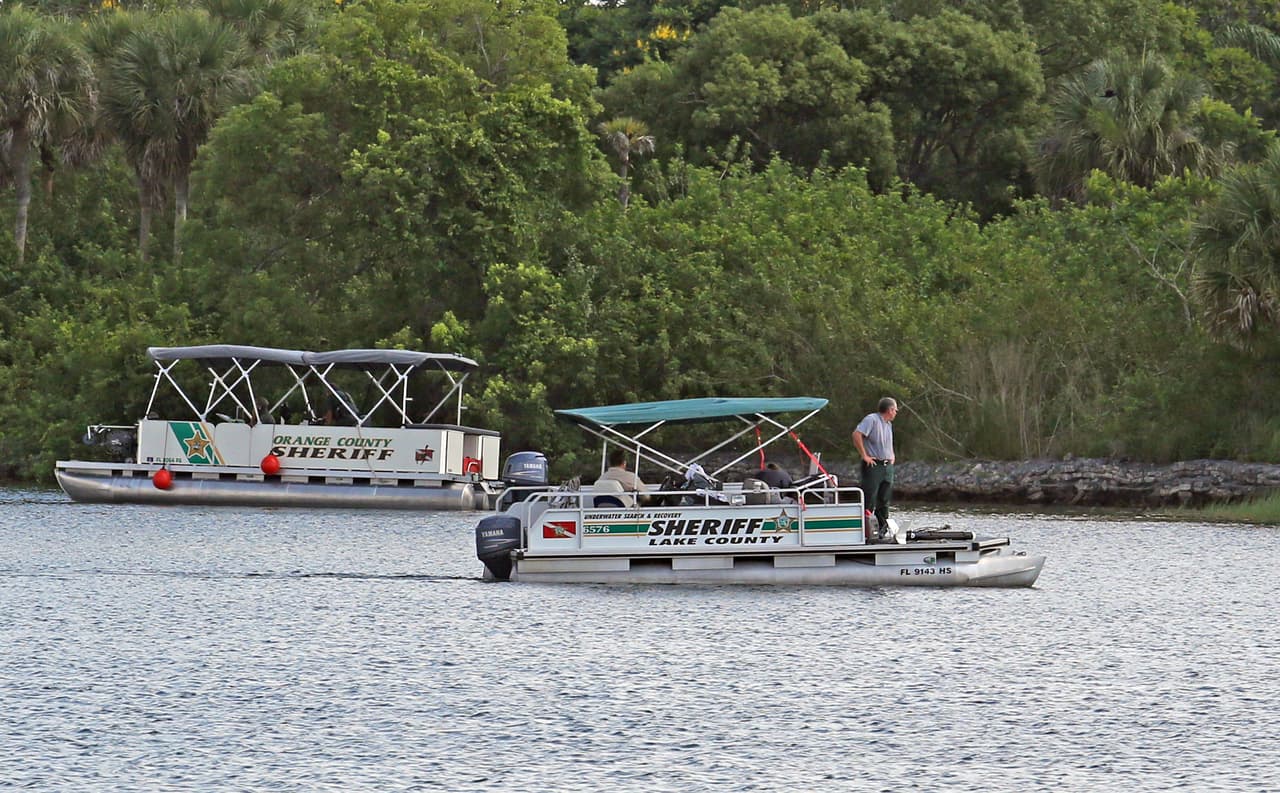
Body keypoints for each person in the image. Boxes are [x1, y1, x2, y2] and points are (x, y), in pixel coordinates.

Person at [853, 397, 898, 539]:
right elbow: (857, 434)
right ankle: (864, 530)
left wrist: (892, 455)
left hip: (886, 465)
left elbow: (887, 443)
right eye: (895, 410)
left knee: (884, 498)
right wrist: (864, 455)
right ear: (890, 409)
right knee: (870, 497)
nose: (896, 413)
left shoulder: (888, 424)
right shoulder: (871, 419)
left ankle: (882, 530)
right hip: (874, 465)